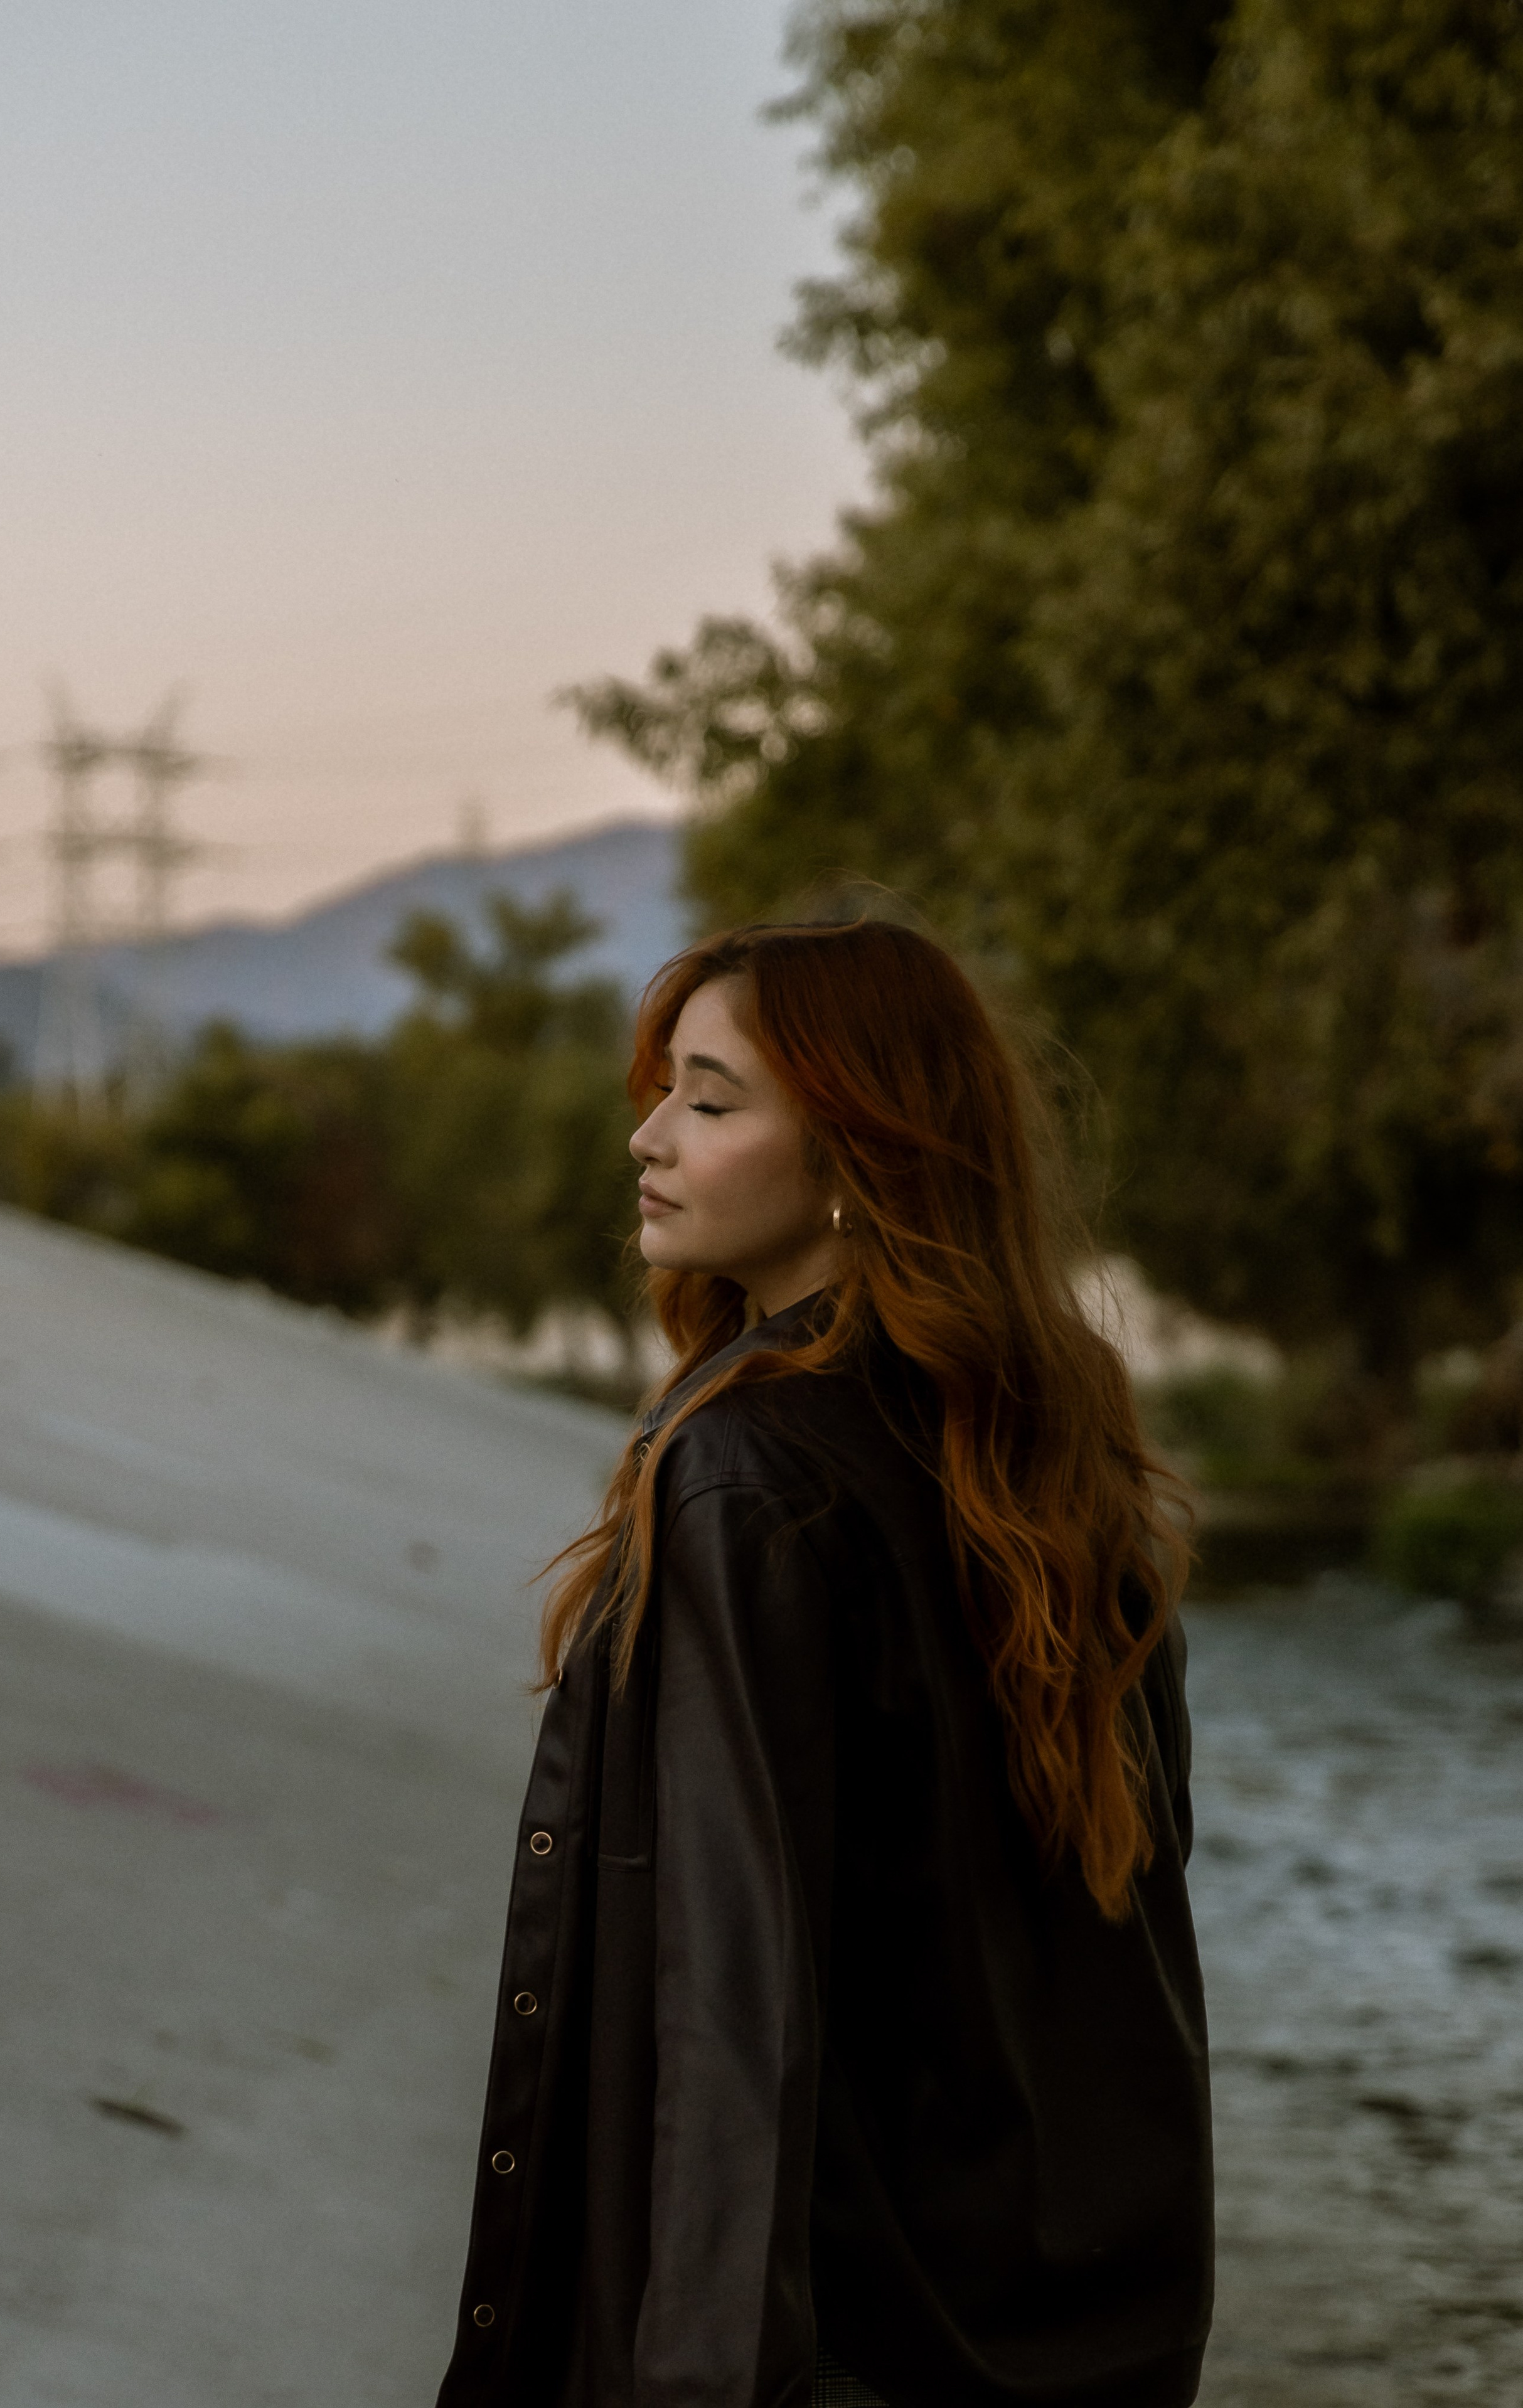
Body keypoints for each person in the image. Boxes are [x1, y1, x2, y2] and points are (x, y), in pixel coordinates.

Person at [436, 919, 1213, 2408]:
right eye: (662, 1089)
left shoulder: (741, 1474)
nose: (646, 1133)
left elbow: (730, 2000)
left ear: (855, 1152)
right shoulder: (1063, 1454)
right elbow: (1135, 1980)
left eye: (711, 1102)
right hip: (1080, 2331)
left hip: (819, 2351)